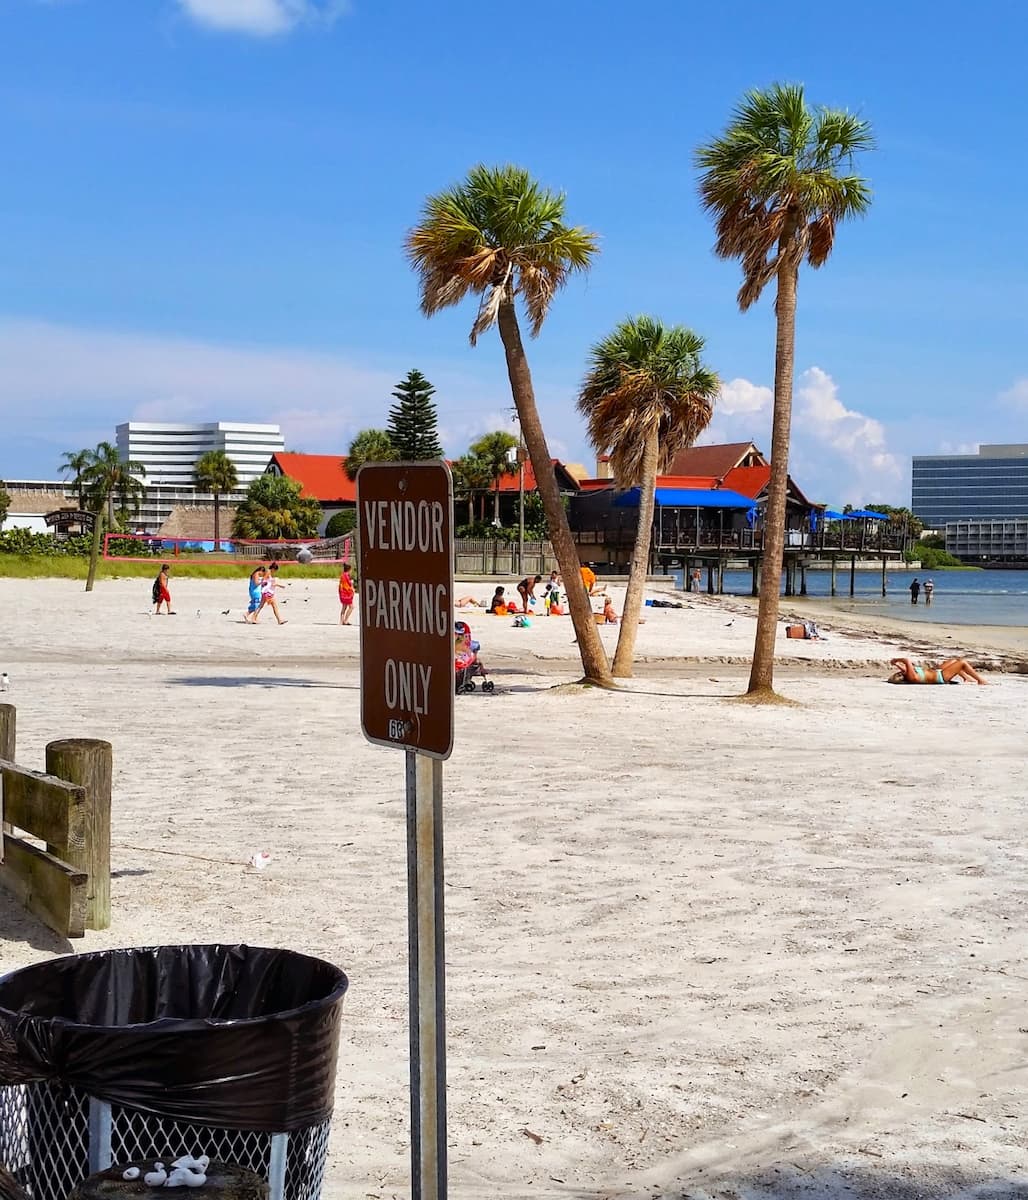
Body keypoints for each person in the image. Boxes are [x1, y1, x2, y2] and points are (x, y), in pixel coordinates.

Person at [888, 657, 988, 685]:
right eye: (899, 674)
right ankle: (980, 680)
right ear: (902, 677)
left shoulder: (909, 675)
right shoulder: (912, 677)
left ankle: (966, 678)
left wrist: (897, 664)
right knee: (962, 663)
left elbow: (905, 668)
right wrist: (896, 660)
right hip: (941, 677)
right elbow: (906, 661)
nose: (900, 672)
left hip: (937, 672)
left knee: (953, 661)